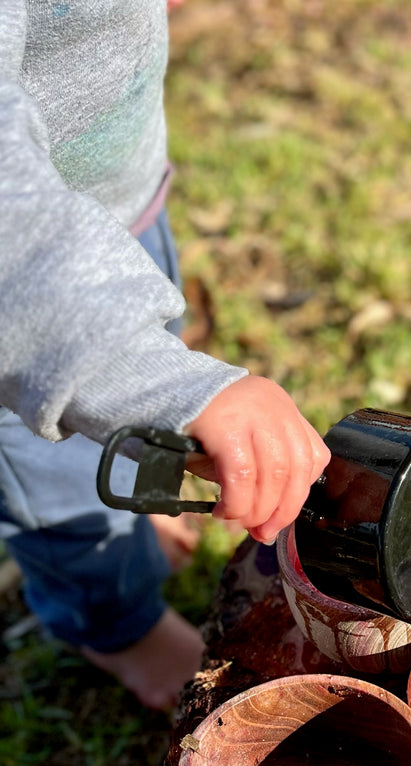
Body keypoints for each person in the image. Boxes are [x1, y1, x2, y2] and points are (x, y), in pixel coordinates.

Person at [0, 1, 331, 709]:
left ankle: (131, 497)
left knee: (135, 407)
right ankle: (118, 628)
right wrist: (146, 370)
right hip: (23, 304)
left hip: (118, 217)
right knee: (60, 493)